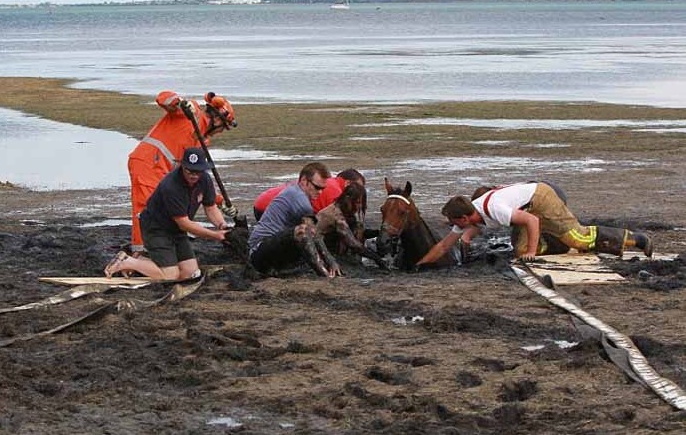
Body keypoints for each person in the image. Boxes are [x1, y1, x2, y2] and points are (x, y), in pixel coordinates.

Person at [417, 181, 653, 266]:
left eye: (453, 222)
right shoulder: (470, 215)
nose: (452, 225)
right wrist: (420, 264)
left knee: (578, 238)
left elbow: (530, 219)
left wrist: (532, 252)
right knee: (519, 251)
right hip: (524, 208)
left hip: (541, 198)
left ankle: (636, 238)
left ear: (464, 218)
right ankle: (556, 244)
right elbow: (444, 246)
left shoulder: (493, 210)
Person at [127, 90, 237, 254]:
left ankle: (164, 244)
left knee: (175, 204)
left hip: (164, 172)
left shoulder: (200, 140)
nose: (220, 132)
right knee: (146, 209)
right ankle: (141, 252)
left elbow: (198, 178)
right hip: (148, 163)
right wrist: (179, 103)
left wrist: (218, 201)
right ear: (216, 119)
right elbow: (163, 98)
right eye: (223, 127)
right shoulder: (192, 112)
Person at [104, 147, 229, 280]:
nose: (194, 175)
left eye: (198, 172)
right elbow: (185, 223)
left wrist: (221, 225)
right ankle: (127, 262)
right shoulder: (171, 186)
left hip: (177, 230)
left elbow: (210, 207)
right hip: (157, 229)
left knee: (190, 273)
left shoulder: (205, 180)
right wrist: (215, 235)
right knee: (171, 276)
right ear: (182, 166)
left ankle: (138, 260)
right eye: (190, 171)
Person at [248, 162, 342, 278]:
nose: (320, 192)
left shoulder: (296, 192)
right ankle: (325, 275)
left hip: (271, 248)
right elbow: (313, 233)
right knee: (302, 231)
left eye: (323, 189)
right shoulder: (299, 198)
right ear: (304, 181)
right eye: (317, 187)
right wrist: (330, 261)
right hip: (260, 251)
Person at [315, 183, 386, 268]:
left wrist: (380, 233)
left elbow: (359, 233)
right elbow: (353, 244)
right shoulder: (336, 215)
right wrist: (378, 259)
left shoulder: (345, 213)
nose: (359, 206)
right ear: (347, 199)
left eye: (361, 203)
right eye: (357, 202)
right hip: (320, 254)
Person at [253, 168, 366, 221]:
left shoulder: (326, 182)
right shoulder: (335, 191)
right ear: (347, 183)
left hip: (262, 202)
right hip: (269, 208)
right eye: (358, 188)